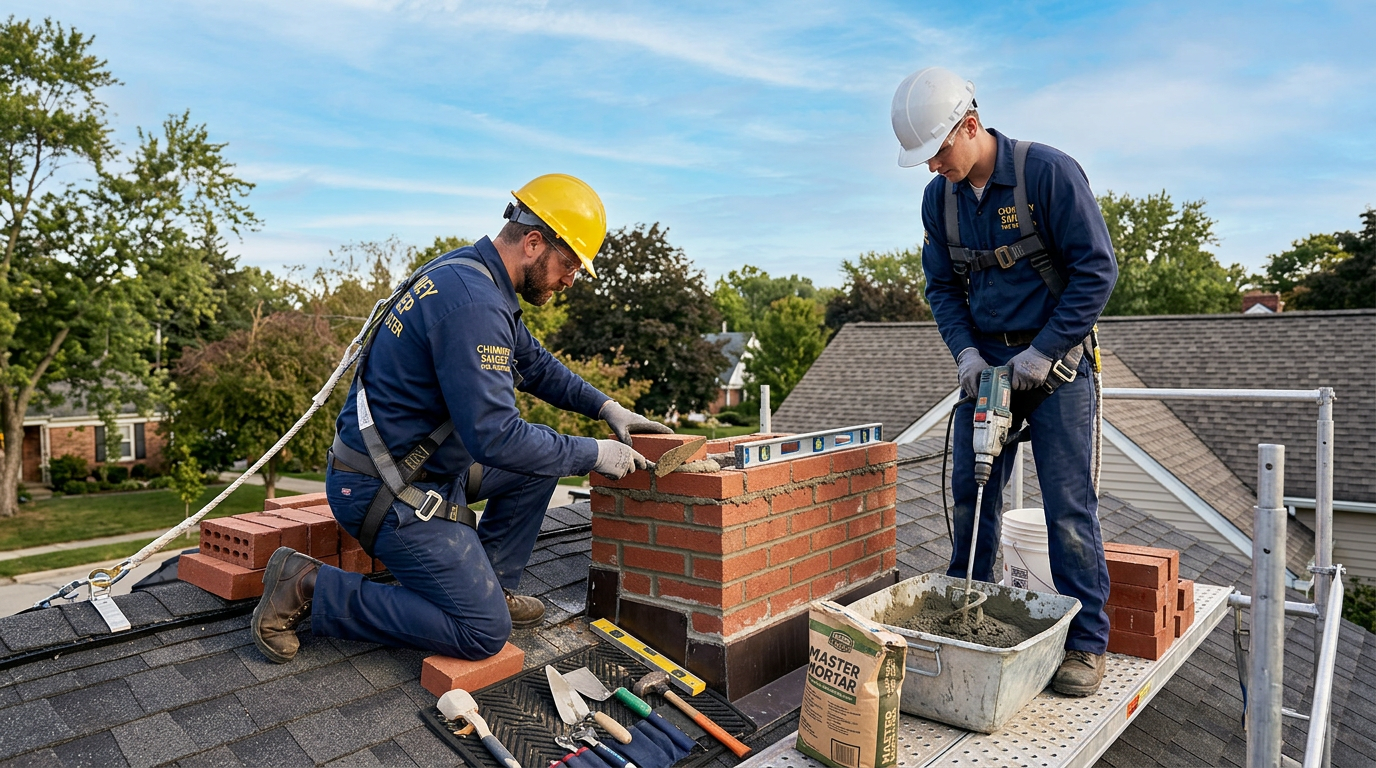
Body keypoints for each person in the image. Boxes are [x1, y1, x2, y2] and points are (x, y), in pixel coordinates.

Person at [251, 174, 672, 663]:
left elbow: (532, 364)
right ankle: (308, 588)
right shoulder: (473, 302)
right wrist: (594, 452)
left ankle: (488, 585)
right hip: (388, 487)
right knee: (481, 632)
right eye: (570, 264)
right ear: (534, 242)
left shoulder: (471, 273)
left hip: (421, 466)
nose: (571, 279)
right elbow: (496, 438)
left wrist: (606, 408)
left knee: (540, 467)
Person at [891, 67, 1118, 696]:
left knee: (1068, 509)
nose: (933, 166)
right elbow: (942, 287)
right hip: (988, 369)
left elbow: (1097, 272)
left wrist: (1046, 351)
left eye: (937, 151)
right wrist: (964, 353)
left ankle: (1085, 643)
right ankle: (970, 614)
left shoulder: (1048, 174)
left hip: (1055, 369)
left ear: (970, 125)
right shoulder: (940, 200)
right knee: (972, 490)